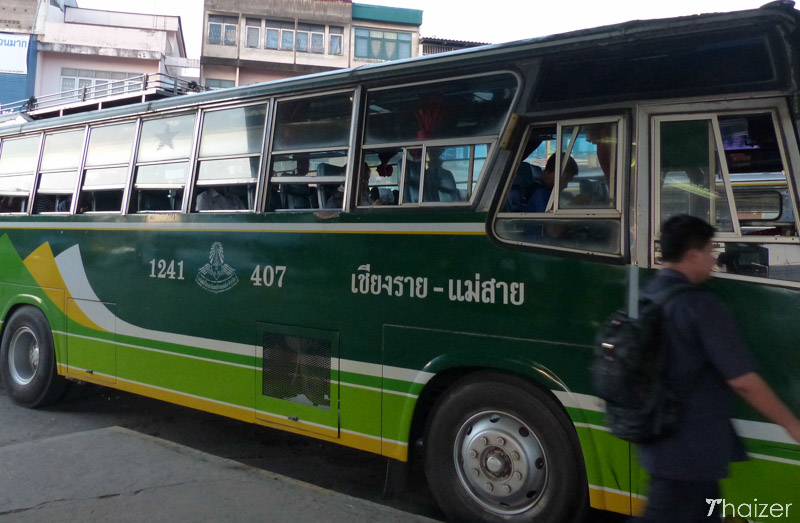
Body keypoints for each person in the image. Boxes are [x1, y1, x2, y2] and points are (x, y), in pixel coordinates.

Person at [635, 214, 800, 522]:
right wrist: (791, 424)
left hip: (661, 440)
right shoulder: (701, 306)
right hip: (690, 448)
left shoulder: (649, 295)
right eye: (711, 252)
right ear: (693, 254)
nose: (714, 261)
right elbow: (743, 381)